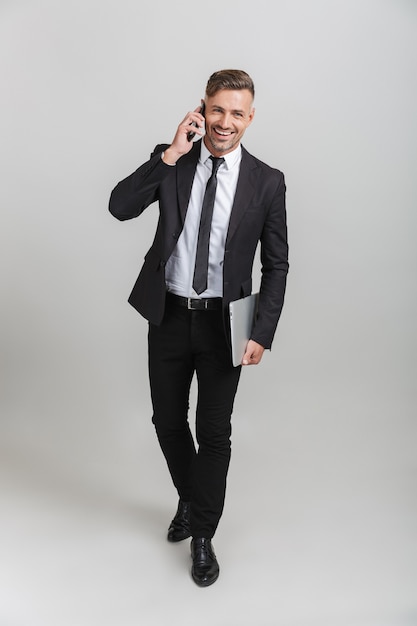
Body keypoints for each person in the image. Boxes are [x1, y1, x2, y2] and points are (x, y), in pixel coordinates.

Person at [109, 69, 288, 587]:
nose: (225, 122)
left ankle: (203, 533)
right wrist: (168, 153)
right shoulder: (174, 161)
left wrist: (262, 329)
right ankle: (192, 498)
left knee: (214, 431)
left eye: (237, 113)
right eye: (217, 110)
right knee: (166, 420)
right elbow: (120, 207)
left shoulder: (267, 181)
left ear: (250, 118)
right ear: (201, 109)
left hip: (224, 324)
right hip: (167, 313)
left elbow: (276, 264)